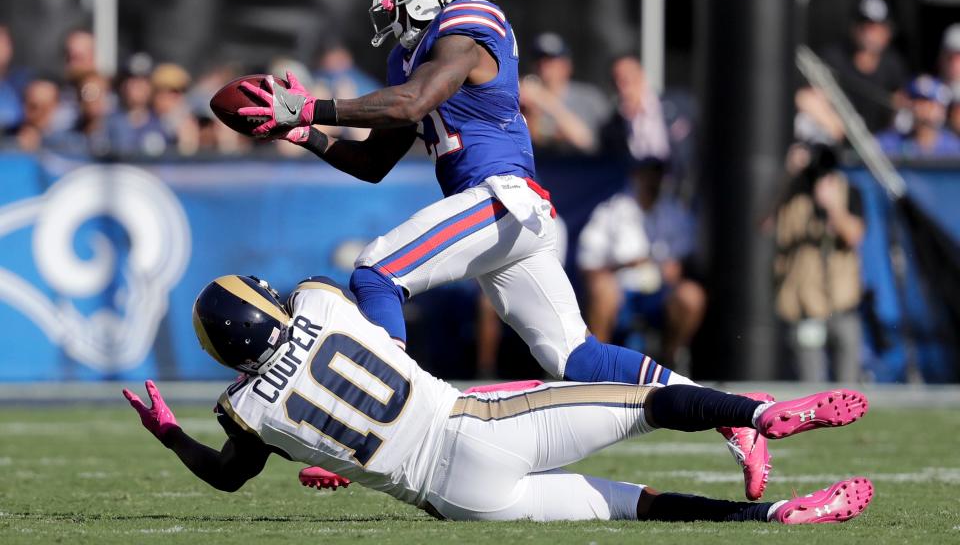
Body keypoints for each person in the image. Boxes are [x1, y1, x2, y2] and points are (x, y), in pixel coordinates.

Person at [232, 0, 769, 500]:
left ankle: (378, 422)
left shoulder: (470, 24)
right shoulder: (408, 56)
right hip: (507, 213)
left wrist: (309, 102)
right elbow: (371, 160)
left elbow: (416, 102)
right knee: (575, 356)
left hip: (501, 197)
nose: (384, 1)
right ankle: (727, 411)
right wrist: (306, 130)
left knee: (376, 273)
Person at [124, 274, 873, 524]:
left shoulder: (241, 412)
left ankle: (773, 518)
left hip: (453, 502)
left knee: (628, 506)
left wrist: (167, 434)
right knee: (643, 399)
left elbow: (228, 476)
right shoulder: (318, 303)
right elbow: (374, 324)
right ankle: (755, 413)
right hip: (473, 430)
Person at [578, 157, 705, 373]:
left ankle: (672, 358)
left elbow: (682, 262)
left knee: (691, 296)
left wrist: (673, 268)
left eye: (659, 175)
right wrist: (625, 265)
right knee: (602, 289)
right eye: (648, 175)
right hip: (621, 290)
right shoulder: (611, 211)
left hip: (659, 292)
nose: (653, 181)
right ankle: (598, 366)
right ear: (636, 176)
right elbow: (588, 262)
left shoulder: (675, 213)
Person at [772, 145, 866, 382]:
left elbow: (854, 235)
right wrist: (788, 177)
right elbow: (763, 223)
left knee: (848, 386)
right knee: (809, 384)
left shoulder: (848, 191)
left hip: (843, 302)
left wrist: (833, 206)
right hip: (804, 301)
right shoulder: (793, 193)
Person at [822, 0, 908, 133]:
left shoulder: (893, 64)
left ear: (887, 32)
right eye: (863, 26)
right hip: (840, 138)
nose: (868, 33)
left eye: (875, 28)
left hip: (879, 145)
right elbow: (811, 97)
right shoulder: (834, 58)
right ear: (853, 27)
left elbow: (901, 102)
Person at [519, 32, 609, 153]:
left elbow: (586, 142)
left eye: (551, 62)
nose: (543, 68)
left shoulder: (588, 97)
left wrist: (544, 99)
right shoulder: (524, 97)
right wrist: (528, 112)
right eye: (539, 62)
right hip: (540, 168)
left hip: (580, 168)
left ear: (567, 65)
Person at [600, 55, 670, 161]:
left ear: (641, 75)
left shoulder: (675, 106)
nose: (626, 82)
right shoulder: (613, 127)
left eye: (631, 75)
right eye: (619, 78)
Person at [877, 75, 960, 158]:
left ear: (942, 109)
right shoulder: (889, 143)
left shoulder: (954, 147)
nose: (923, 108)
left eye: (929, 102)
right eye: (917, 101)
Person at [10, 78, 60, 151]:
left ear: (56, 106)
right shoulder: (7, 135)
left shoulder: (65, 141)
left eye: (45, 108)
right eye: (33, 107)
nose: (39, 113)